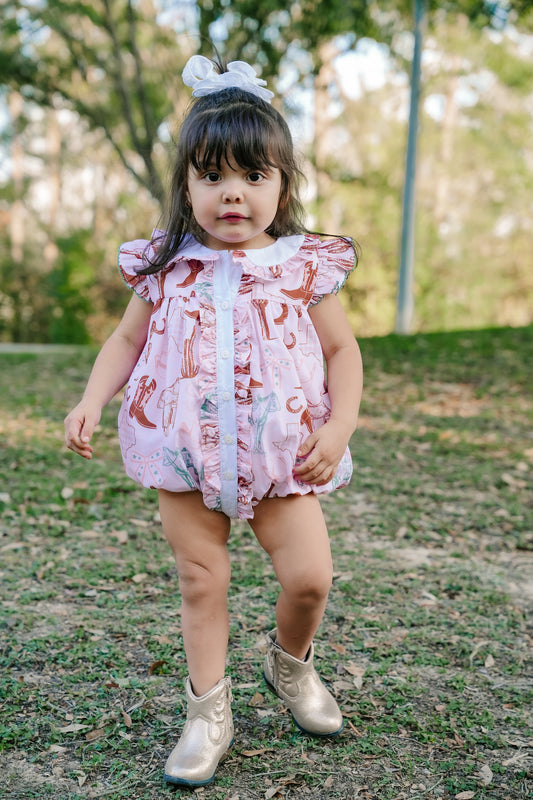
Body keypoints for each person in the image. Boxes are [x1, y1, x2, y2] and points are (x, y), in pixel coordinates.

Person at [64, 54, 363, 788]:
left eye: (254, 176)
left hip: (284, 455)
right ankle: (206, 713)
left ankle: (289, 666)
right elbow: (127, 341)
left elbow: (342, 349)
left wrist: (339, 429)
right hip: (185, 453)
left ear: (282, 183)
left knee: (310, 579)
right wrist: (90, 399)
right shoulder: (166, 265)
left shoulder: (301, 265)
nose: (233, 193)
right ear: (188, 185)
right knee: (202, 580)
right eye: (213, 176)